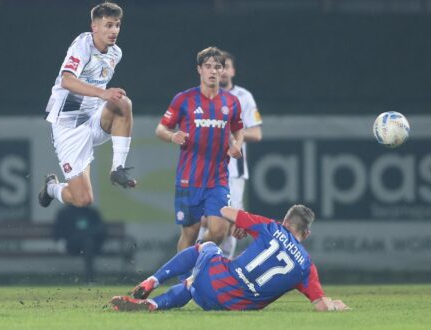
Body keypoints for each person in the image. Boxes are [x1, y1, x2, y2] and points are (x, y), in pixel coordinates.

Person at [111, 205, 349, 312]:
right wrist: (335, 307)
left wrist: (245, 224)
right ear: (306, 233)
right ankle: (152, 305)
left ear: (285, 222)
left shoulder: (271, 227)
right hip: (233, 307)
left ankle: (152, 281)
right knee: (192, 283)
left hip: (215, 283)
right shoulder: (306, 266)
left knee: (207, 246)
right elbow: (320, 305)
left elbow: (225, 211)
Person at [39, 2, 136, 209]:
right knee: (83, 200)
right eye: (108, 25)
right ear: (94, 27)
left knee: (123, 103)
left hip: (93, 119)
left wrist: (106, 96)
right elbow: (67, 80)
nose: (114, 31)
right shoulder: (82, 45)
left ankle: (117, 168)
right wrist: (103, 93)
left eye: (117, 25)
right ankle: (51, 188)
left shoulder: (115, 53)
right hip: (68, 126)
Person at [155, 46, 244, 252]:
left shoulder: (232, 102)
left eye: (217, 67)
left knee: (220, 231)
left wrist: (237, 145)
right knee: (189, 232)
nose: (213, 71)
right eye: (208, 66)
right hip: (189, 179)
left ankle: (192, 258)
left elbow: (239, 129)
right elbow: (160, 128)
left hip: (218, 179)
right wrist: (172, 136)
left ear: (223, 71)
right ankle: (185, 279)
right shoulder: (184, 99)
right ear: (199, 70)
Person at [197, 50, 264, 259]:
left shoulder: (243, 97)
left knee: (231, 222)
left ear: (232, 70)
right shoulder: (199, 97)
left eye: (225, 66)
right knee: (206, 220)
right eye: (217, 67)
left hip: (233, 171)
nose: (222, 71)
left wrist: (233, 136)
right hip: (205, 168)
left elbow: (256, 132)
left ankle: (220, 267)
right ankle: (195, 262)